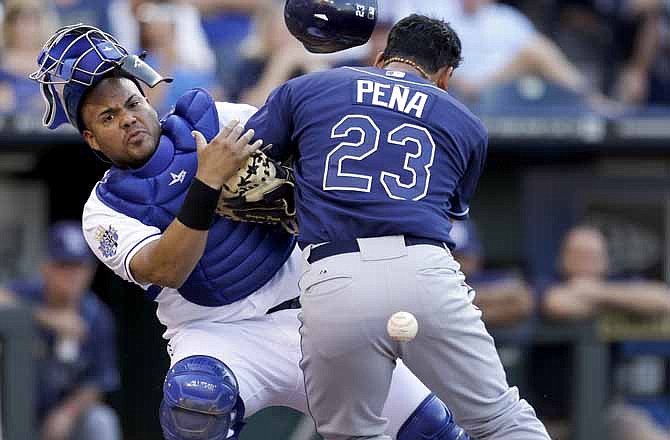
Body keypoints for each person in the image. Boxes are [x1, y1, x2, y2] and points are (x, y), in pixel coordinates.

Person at [30, 23, 470, 440]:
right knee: (195, 403)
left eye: (132, 103)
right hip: (217, 334)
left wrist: (307, 198)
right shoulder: (103, 209)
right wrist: (207, 184)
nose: (128, 119)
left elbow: (320, 155)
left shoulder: (217, 119)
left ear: (148, 98)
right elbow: (166, 268)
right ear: (90, 138)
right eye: (108, 117)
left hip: (313, 308)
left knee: (430, 428)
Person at [244, 11, 550, 440]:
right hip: (425, 269)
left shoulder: (309, 87)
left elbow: (242, 158)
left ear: (382, 56)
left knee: (351, 433)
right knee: (499, 420)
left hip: (336, 273)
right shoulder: (466, 123)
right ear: (444, 76)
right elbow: (448, 210)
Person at [0, 221, 121, 440]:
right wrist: (46, 317)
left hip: (60, 419)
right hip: (12, 410)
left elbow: (97, 383)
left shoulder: (96, 317)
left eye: (78, 266)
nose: (72, 275)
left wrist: (68, 413)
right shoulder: (30, 294)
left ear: (90, 270)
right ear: (46, 266)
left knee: (100, 420)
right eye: (63, 266)